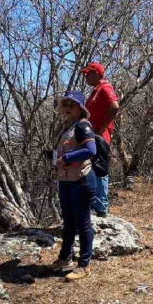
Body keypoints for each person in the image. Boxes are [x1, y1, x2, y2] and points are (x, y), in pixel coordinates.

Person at [50, 91, 98, 281]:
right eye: (67, 105)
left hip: (81, 181)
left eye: (73, 105)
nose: (69, 108)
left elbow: (90, 150)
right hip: (66, 181)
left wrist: (67, 158)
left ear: (80, 108)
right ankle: (64, 258)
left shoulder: (82, 125)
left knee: (83, 223)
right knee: (68, 222)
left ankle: (85, 264)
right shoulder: (66, 127)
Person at [82, 62, 119, 217]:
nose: (85, 77)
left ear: (96, 73)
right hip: (91, 136)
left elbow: (114, 106)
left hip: (99, 137)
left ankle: (101, 206)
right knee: (91, 169)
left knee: (99, 169)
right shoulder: (95, 91)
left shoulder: (105, 88)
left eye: (88, 73)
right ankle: (94, 204)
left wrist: (102, 128)